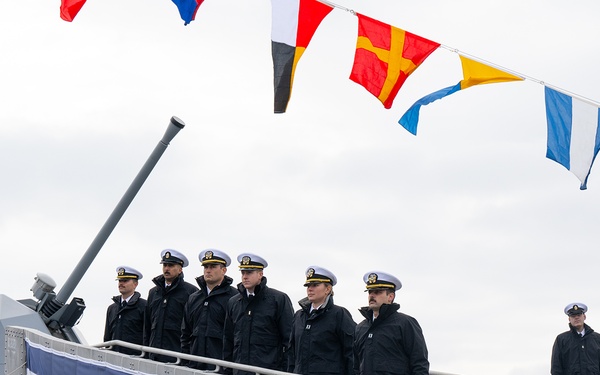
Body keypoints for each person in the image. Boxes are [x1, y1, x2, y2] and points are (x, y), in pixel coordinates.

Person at [223, 253, 294, 375]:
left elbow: (289, 340)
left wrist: (283, 371)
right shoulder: (234, 302)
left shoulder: (278, 299)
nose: (245, 277)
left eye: (249, 273)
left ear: (260, 274)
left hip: (269, 371)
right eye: (243, 273)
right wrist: (227, 370)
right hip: (239, 371)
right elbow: (228, 339)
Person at [353, 271, 429, 375]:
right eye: (370, 291)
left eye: (378, 292)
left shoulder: (405, 323)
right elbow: (355, 366)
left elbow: (419, 363)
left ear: (390, 297)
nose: (372, 295)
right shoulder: (360, 328)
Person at [288, 266, 356, 375]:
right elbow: (291, 353)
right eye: (308, 285)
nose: (310, 289)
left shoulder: (339, 314)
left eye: (315, 285)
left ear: (328, 289)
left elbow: (351, 352)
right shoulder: (299, 316)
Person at [181, 249, 237, 369]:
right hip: (194, 365)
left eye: (213, 266)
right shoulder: (194, 298)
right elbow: (185, 333)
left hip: (220, 367)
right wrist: (186, 361)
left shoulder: (234, 298)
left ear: (224, 270)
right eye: (206, 267)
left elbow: (236, 336)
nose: (208, 270)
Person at [144, 249, 198, 363]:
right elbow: (147, 325)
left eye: (171, 265)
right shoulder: (154, 292)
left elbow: (192, 327)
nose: (166, 269)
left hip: (176, 356)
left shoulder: (191, 292)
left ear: (180, 269)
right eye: (165, 265)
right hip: (153, 355)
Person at [103, 266, 147, 355]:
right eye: (120, 280)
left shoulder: (144, 306)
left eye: (125, 281)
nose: (121, 283)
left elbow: (147, 336)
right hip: (113, 358)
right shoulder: (112, 308)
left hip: (135, 358)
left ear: (135, 284)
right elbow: (107, 337)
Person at [551, 302, 600, 374]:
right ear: (569, 319)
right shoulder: (561, 340)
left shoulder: (597, 339)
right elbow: (556, 368)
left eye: (579, 315)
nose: (576, 317)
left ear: (584, 317)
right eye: (573, 316)